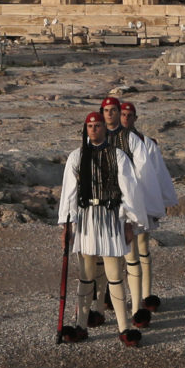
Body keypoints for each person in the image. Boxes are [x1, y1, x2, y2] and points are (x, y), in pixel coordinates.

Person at [60, 110, 150, 346]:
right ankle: (81, 324)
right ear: (85, 129)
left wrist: (130, 222)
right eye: (90, 126)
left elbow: (129, 190)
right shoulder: (76, 157)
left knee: (114, 275)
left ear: (104, 128)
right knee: (86, 275)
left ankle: (124, 327)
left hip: (111, 217)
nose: (94, 130)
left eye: (97, 126)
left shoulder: (118, 156)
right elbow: (69, 193)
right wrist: (67, 225)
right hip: (87, 218)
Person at [117, 100, 177, 314]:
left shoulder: (146, 142)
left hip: (140, 203)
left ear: (135, 118)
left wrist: (158, 203)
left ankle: (145, 294)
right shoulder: (106, 140)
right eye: (122, 114)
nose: (125, 118)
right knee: (112, 253)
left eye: (128, 115)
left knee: (142, 248)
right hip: (115, 205)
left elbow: (156, 174)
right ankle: (110, 296)